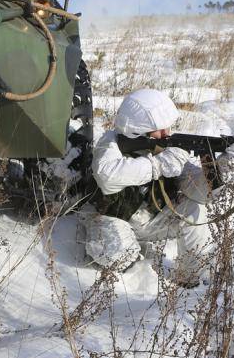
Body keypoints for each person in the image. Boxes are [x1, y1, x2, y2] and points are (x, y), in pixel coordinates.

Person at [81, 89, 217, 287]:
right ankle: (138, 281)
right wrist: (159, 165)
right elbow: (107, 176)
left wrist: (219, 169)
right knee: (115, 251)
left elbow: (195, 190)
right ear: (138, 130)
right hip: (111, 220)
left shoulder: (163, 146)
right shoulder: (109, 146)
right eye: (160, 129)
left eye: (167, 128)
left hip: (151, 222)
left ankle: (193, 280)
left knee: (195, 209)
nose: (166, 134)